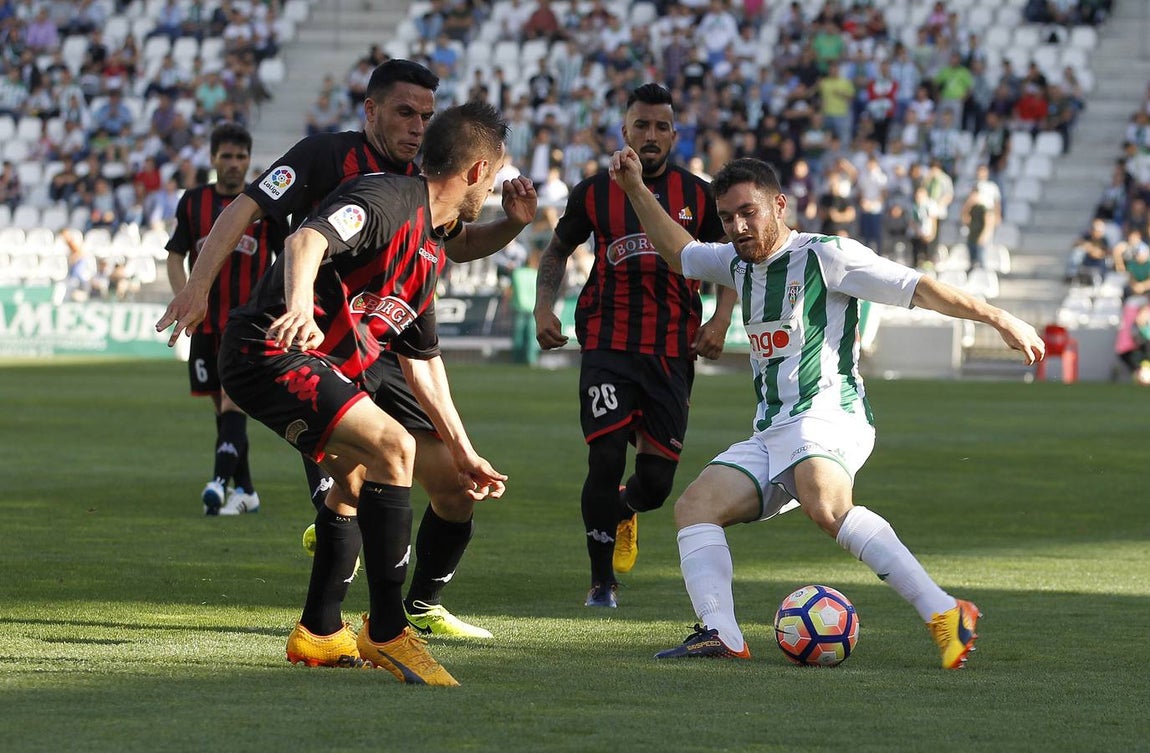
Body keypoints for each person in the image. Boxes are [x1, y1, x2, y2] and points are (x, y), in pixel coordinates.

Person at [607, 151, 1045, 668]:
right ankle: (720, 634)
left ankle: (946, 613)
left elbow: (916, 287)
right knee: (695, 509)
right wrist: (636, 187)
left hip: (830, 415)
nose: (738, 226)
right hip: (773, 429)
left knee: (828, 506)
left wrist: (997, 317)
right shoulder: (734, 262)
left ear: (778, 205)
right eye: (727, 218)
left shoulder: (826, 255)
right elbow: (679, 251)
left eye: (748, 211)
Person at [156, 59, 536, 642]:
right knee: (370, 466)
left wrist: (510, 227)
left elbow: (452, 247)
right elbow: (249, 210)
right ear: (371, 110)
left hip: (380, 342)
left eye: (426, 116)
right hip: (303, 338)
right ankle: (366, 617)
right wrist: (201, 285)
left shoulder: (431, 181)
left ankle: (397, 608)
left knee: (448, 485)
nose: (416, 127)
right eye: (405, 112)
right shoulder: (327, 158)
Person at [216, 102, 510, 686]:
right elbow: (306, 240)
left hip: (302, 360)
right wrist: (299, 305)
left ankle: (319, 632)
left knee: (354, 480)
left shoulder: (428, 246)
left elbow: (423, 365)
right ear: (477, 172)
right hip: (269, 349)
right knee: (394, 447)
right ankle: (386, 628)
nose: (495, 189)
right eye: (496, 177)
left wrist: (462, 448)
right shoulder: (387, 198)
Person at [533, 83, 738, 608]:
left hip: (672, 349)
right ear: (624, 130)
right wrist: (543, 307)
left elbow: (729, 262)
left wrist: (720, 317)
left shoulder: (698, 195)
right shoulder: (594, 193)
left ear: (674, 133)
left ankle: (625, 509)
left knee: (654, 485)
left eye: (661, 127)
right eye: (641, 125)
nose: (650, 136)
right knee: (602, 457)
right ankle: (602, 581)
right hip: (607, 340)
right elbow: (557, 252)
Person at [165, 123, 283, 516]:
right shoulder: (193, 202)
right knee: (222, 409)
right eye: (227, 156)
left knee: (234, 404)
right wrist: (186, 297)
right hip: (205, 324)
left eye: (241, 157)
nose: (234, 164)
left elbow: (289, 257)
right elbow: (174, 255)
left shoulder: (266, 204)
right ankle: (246, 489)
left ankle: (217, 483)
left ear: (249, 160)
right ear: (213, 158)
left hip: (248, 325)